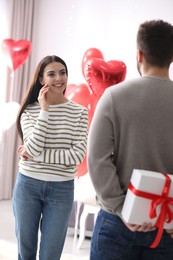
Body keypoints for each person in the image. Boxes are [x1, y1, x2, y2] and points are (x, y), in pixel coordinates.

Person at [87, 19, 173, 260]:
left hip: (117, 223)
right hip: (166, 225)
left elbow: (97, 159)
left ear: (139, 54)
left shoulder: (113, 96)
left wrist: (122, 208)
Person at [12, 55, 88, 260]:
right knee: (25, 253)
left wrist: (36, 157)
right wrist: (44, 111)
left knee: (50, 255)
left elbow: (77, 155)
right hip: (28, 186)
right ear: (41, 79)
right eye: (51, 73)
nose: (59, 78)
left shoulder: (79, 112)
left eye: (62, 72)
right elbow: (33, 148)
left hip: (61, 190)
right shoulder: (29, 111)